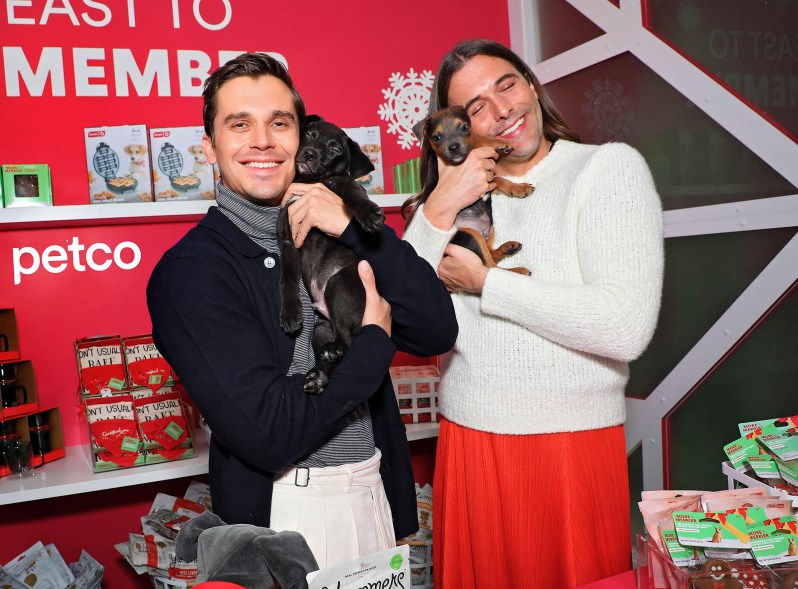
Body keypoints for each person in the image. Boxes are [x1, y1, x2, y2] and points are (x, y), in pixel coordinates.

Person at [147, 52, 457, 569]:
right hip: (279, 519)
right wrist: (373, 345)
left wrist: (355, 230)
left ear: (300, 136)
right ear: (209, 147)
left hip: (372, 496)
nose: (263, 141)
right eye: (239, 124)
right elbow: (269, 433)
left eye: (279, 123)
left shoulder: (341, 231)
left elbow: (435, 327)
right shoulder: (193, 272)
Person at [403, 39, 664, 588]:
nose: (501, 111)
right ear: (456, 126)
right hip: (469, 443)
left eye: (507, 85)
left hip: (568, 447)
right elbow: (405, 312)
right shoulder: (459, 192)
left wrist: (487, 283)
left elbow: (625, 325)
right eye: (474, 107)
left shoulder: (605, 167)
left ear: (530, 83)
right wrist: (439, 205)